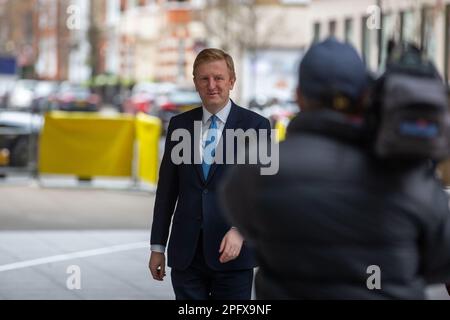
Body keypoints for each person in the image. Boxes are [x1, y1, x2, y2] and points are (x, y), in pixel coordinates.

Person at [220, 38, 450, 299]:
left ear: (299, 96)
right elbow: (440, 262)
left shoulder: (258, 169)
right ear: (365, 94)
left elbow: (247, 225)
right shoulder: (407, 173)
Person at [148, 48, 271, 300]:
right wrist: (157, 247)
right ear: (195, 83)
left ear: (232, 81)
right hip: (186, 255)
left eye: (218, 78)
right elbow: (166, 192)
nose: (211, 85)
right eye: (204, 79)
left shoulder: (257, 126)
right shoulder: (179, 125)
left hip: (234, 254)